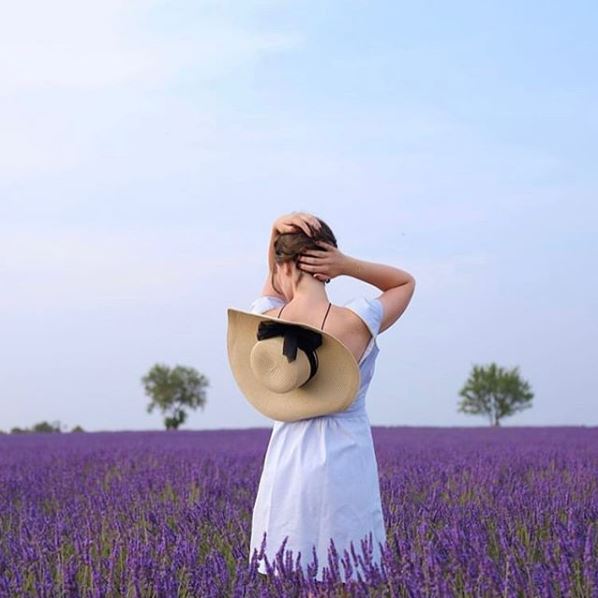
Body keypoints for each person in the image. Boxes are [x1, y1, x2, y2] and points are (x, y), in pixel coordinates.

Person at [248, 211, 416, 589]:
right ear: (327, 263)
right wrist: (347, 265)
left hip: (289, 463)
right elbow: (405, 282)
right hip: (346, 463)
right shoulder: (357, 320)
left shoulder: (265, 321)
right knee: (346, 572)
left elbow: (272, 285)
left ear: (284, 266)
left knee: (290, 572)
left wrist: (274, 230)